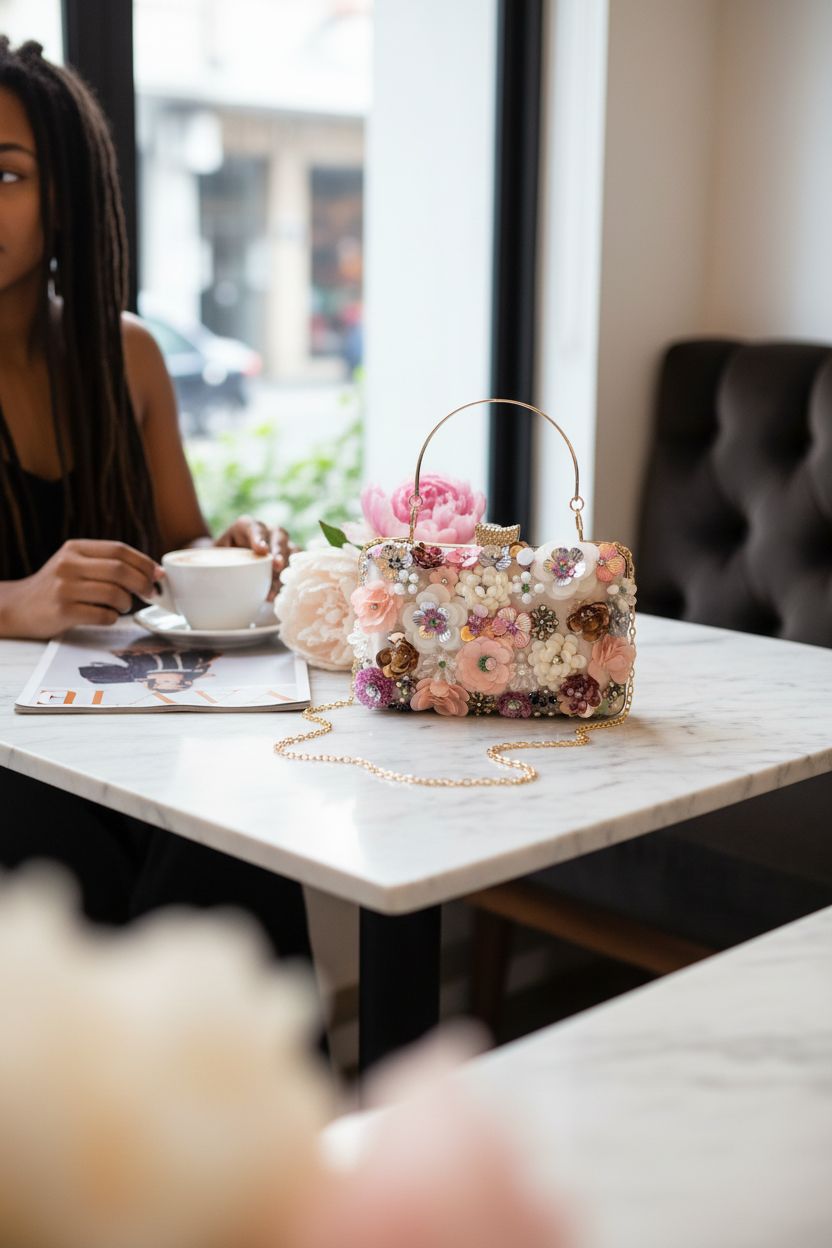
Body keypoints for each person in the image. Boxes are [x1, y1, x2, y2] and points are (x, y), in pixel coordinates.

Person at [0, 37, 312, 967]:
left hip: (123, 723)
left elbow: (183, 543)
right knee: (59, 836)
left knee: (234, 829)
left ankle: (259, 1106)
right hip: (19, 761)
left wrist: (238, 549)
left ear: (67, 200)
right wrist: (14, 602)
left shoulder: (127, 356)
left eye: (5, 174)